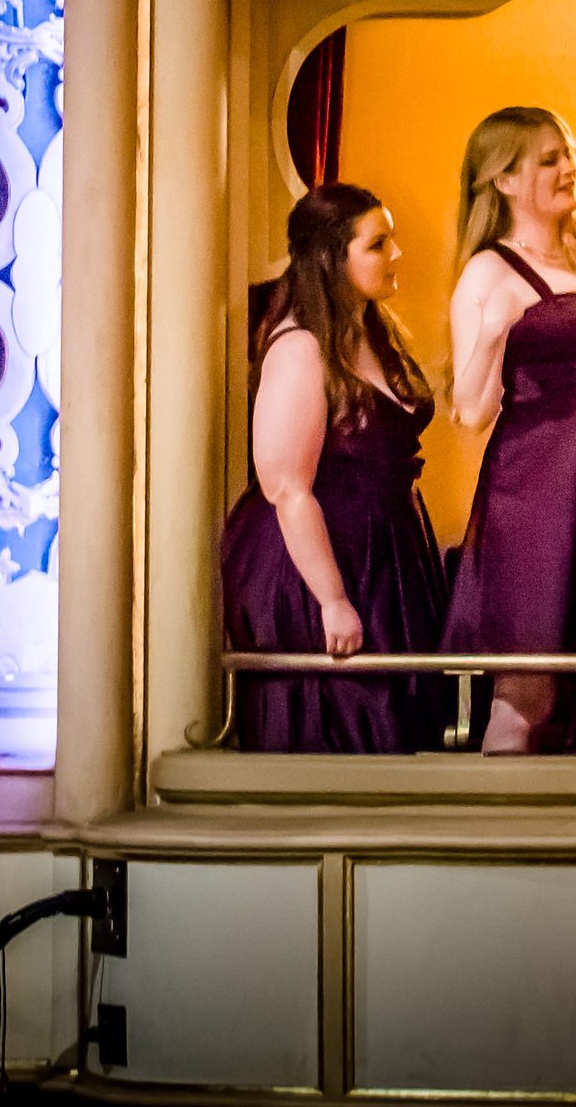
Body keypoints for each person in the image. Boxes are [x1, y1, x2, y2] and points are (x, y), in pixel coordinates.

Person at [220, 182, 445, 751]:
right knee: (342, 721)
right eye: (378, 244)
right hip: (319, 563)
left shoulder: (371, 333)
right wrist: (332, 599)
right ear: (330, 257)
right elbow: (288, 488)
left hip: (384, 551)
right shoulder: (299, 348)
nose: (396, 255)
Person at [441, 105, 576, 751]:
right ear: (504, 179)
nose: (568, 169)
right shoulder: (488, 271)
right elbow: (469, 410)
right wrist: (494, 328)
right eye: (548, 159)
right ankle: (496, 839)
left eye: (567, 153)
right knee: (529, 689)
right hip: (537, 487)